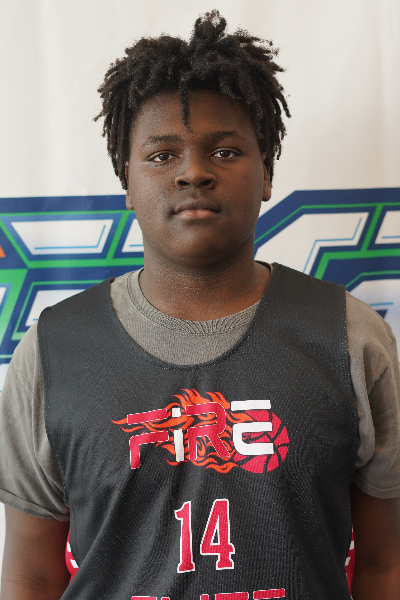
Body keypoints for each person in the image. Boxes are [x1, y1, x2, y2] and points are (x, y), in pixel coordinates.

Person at [1, 10, 400, 600]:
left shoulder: (350, 337)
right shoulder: (54, 351)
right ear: (127, 180)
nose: (194, 172)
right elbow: (29, 575)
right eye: (162, 155)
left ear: (267, 173)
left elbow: (384, 565)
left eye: (226, 151)